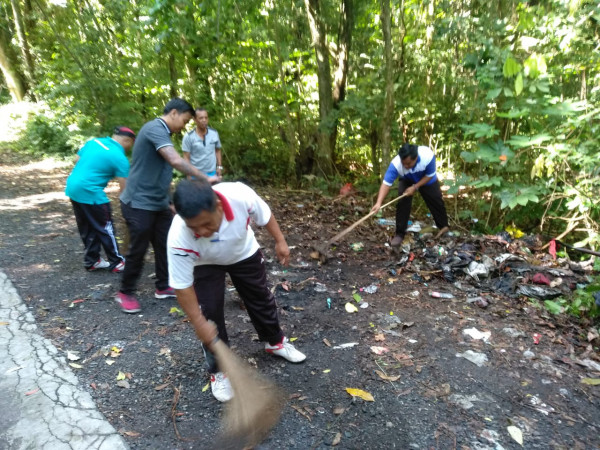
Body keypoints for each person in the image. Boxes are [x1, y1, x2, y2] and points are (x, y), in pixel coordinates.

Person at [167, 179, 306, 402]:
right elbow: (182, 286)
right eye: (194, 227)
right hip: (204, 263)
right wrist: (199, 322)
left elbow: (266, 215)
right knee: (209, 313)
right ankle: (219, 371)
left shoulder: (240, 196)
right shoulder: (178, 236)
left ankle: (275, 342)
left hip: (244, 253)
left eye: (206, 223)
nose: (201, 231)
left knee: (260, 297)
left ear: (218, 207)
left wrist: (280, 241)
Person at [116, 98, 218, 314]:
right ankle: (125, 291)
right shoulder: (155, 128)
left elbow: (161, 173)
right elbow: (175, 161)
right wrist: (203, 178)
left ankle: (163, 286)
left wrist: (170, 201)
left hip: (158, 202)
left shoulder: (164, 134)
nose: (184, 126)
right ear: (173, 113)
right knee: (139, 246)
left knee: (166, 242)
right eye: (185, 120)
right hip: (138, 202)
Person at [65, 126, 135, 273]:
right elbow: (124, 189)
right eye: (131, 144)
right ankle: (117, 262)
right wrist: (126, 208)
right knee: (105, 227)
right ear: (127, 140)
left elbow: (76, 159)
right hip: (91, 191)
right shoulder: (119, 157)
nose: (130, 148)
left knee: (87, 226)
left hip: (73, 187)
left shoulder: (94, 142)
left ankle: (92, 260)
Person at [371, 143, 449, 247]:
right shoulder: (396, 164)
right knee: (403, 201)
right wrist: (378, 203)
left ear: (416, 158)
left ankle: (443, 226)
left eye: (408, 163)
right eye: (404, 163)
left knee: (436, 200)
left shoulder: (428, 156)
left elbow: (430, 175)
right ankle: (399, 234)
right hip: (407, 179)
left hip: (426, 179)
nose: (406, 166)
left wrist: (415, 187)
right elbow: (386, 183)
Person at [182, 108, 223, 179]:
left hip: (212, 173)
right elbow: (186, 157)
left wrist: (219, 167)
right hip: (195, 175)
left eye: (206, 118)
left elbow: (218, 150)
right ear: (195, 119)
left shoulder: (214, 133)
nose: (204, 120)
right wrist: (188, 175)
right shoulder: (188, 137)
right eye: (201, 118)